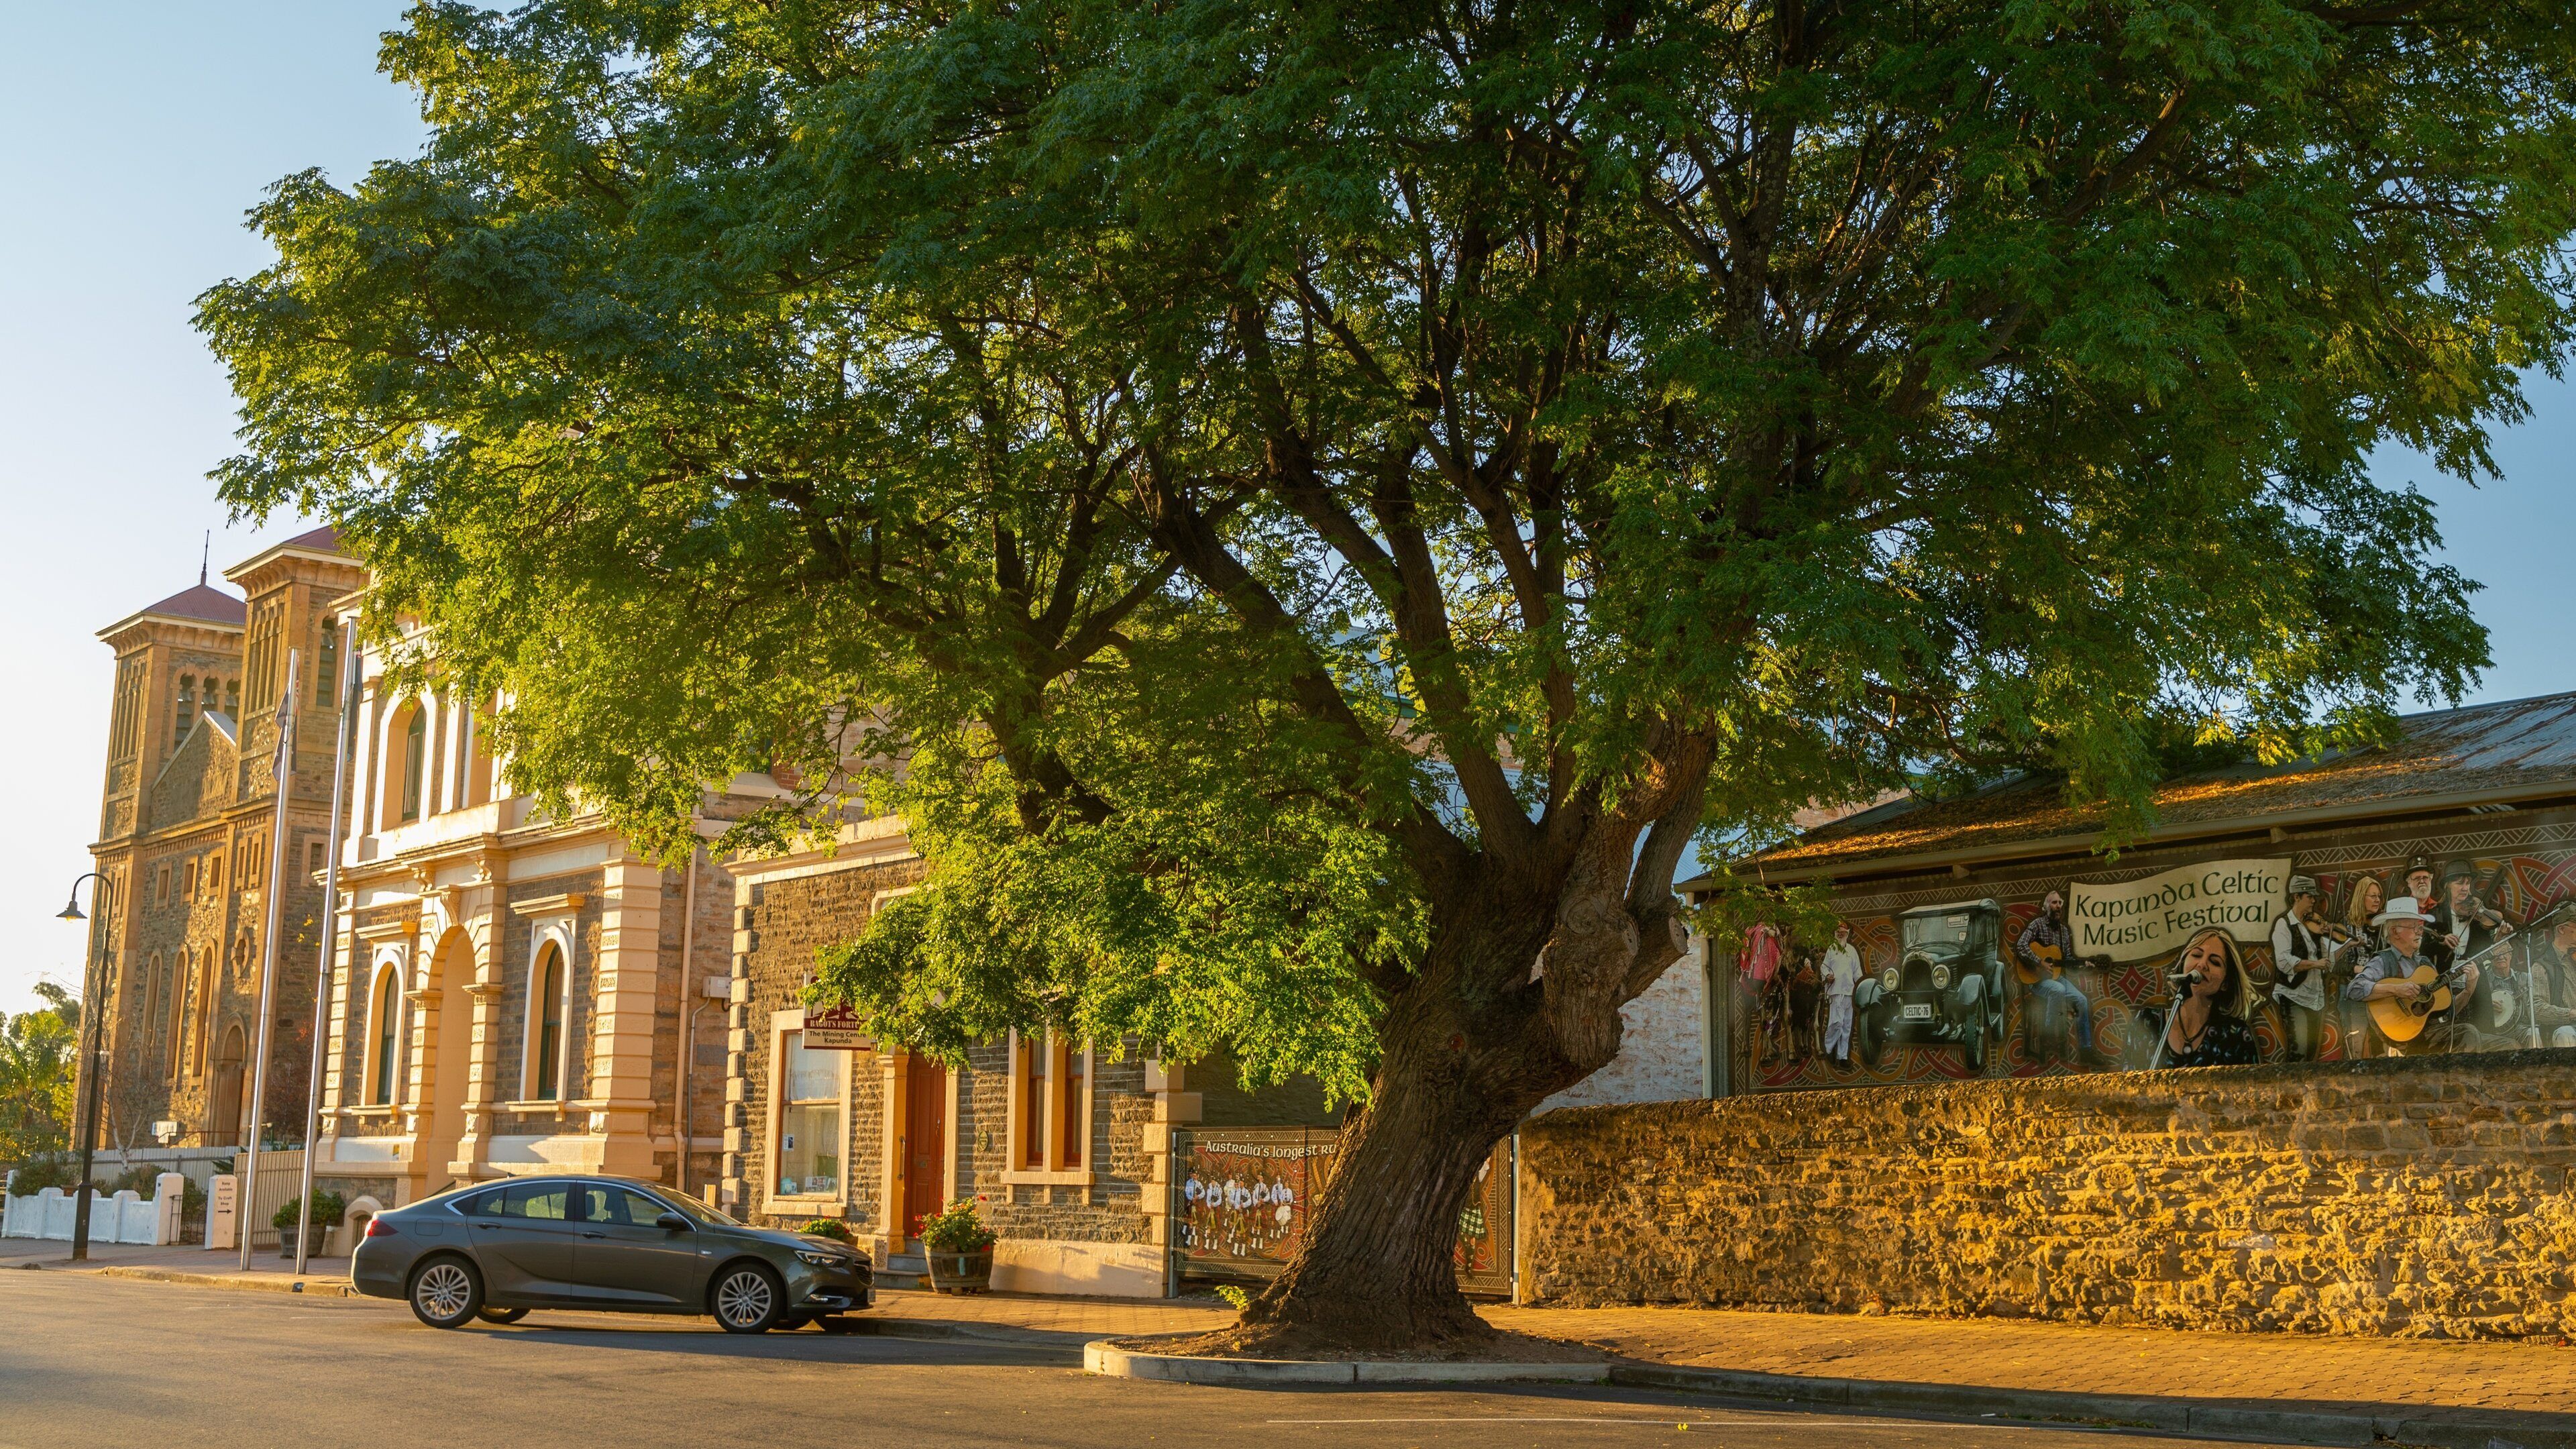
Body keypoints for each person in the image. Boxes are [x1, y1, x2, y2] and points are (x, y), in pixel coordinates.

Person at [2345, 894, 2481, 1055]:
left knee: (2501, 1043)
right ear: (2395, 932)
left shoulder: (2425, 964)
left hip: (2432, 1033)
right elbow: (2354, 989)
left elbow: (2447, 1013)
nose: (2419, 932)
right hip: (2405, 1040)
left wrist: (2468, 991)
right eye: (2413, 927)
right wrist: (2396, 990)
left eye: (2420, 927)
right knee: (2468, 1033)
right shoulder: (2382, 961)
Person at [2012, 890, 2112, 1067]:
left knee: (2082, 1000)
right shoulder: (2037, 925)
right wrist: (2039, 962)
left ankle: (2086, 1050)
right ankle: (2048, 1036)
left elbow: (2067, 959)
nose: (2058, 906)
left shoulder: (2064, 931)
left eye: (2060, 903)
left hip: (2056, 978)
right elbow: (2021, 945)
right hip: (2036, 981)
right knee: (2057, 990)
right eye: (2054, 903)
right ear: (2046, 907)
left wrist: (2084, 965)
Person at [2150, 926, 2262, 1068]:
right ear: (2183, 963)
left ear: (2225, 983)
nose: (2202, 964)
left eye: (2215, 962)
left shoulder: (2236, 1035)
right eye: (2197, 955)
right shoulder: (2148, 1020)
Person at [2269, 875, 2334, 1062]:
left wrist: (2344, 944)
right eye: (2309, 897)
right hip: (2293, 995)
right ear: (2296, 897)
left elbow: (2328, 960)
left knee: (2311, 1055)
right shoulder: (2284, 924)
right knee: (2299, 1051)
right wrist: (2315, 964)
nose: (2314, 901)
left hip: (2314, 998)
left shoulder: (2312, 927)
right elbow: (2284, 961)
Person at [2528, 916, 2576, 1049]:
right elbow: (2536, 1009)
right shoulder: (2542, 966)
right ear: (2562, 929)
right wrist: (2571, 1014)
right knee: (2565, 1034)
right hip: (2567, 1028)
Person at [1820, 920, 1864, 1067]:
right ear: (1835, 934)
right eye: (1838, 932)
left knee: (1847, 1026)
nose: (1840, 934)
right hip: (1836, 991)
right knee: (1836, 1023)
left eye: (1843, 932)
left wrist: (1861, 988)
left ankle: (1843, 1056)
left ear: (1847, 934)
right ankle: (1829, 1049)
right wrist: (1827, 976)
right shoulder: (1831, 949)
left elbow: (1857, 972)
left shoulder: (1852, 951)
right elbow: (1824, 967)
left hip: (1850, 992)